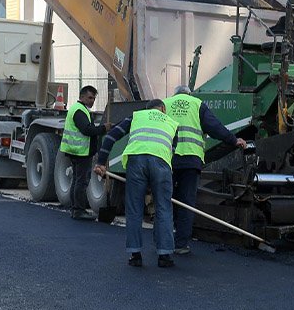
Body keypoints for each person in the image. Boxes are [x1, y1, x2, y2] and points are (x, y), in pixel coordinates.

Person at [162, 86, 248, 255]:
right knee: (186, 203)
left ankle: (163, 243)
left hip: (167, 159)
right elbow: (214, 127)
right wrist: (233, 140)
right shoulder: (197, 104)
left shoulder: (164, 104)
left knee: (165, 201)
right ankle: (180, 245)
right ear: (188, 94)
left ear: (176, 94)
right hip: (191, 160)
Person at [94, 100, 179, 268]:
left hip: (136, 162)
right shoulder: (172, 123)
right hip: (161, 163)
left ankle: (135, 255)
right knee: (163, 208)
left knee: (134, 209)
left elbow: (111, 136)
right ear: (163, 109)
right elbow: (172, 151)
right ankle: (164, 256)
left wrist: (101, 163)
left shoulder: (136, 116)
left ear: (146, 109)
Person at [59, 85, 108, 220]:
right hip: (80, 152)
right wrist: (104, 128)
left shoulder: (79, 109)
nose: (92, 101)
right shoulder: (79, 111)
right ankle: (79, 210)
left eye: (94, 98)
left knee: (77, 180)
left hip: (76, 150)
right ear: (82, 97)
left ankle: (75, 209)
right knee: (81, 181)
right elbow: (87, 130)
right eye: (90, 98)